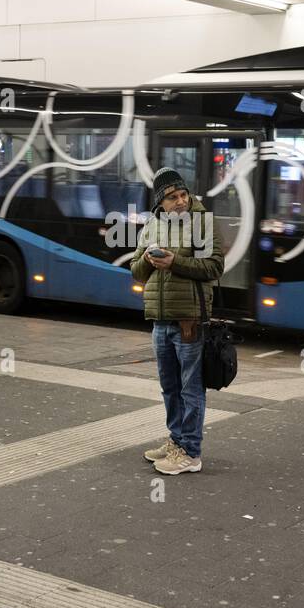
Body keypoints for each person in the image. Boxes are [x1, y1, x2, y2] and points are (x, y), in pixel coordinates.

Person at [130, 167, 224, 474]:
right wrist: (146, 260)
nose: (181, 201)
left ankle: (191, 452)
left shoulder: (202, 224)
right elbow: (135, 270)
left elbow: (214, 267)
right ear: (161, 203)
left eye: (183, 194)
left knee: (190, 389)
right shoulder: (151, 225)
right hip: (160, 319)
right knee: (169, 387)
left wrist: (175, 263)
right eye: (172, 197)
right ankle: (176, 441)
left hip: (190, 319)